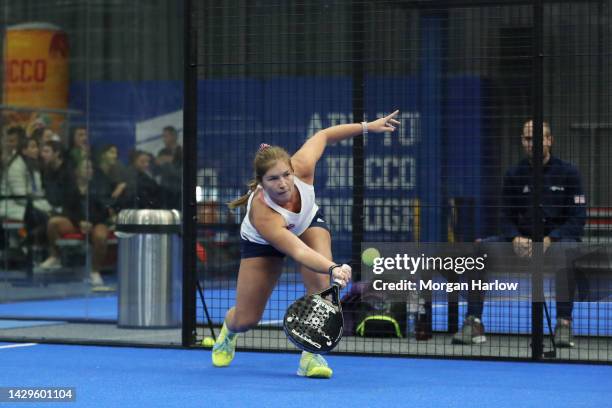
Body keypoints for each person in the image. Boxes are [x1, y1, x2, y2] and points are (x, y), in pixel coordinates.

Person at [211, 110, 400, 378]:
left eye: (285, 175)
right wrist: (334, 267)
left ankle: (311, 357)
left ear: (292, 168)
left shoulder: (302, 166)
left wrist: (368, 126)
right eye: (273, 179)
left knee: (321, 288)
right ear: (261, 184)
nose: (283, 183)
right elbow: (298, 251)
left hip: (308, 222)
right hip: (264, 244)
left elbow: (324, 135)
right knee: (246, 319)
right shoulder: (264, 214)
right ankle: (229, 332)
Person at [452, 120, 586, 348]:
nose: (532, 143)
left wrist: (550, 238)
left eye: (537, 138)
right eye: (527, 138)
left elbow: (578, 218)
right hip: (520, 245)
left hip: (554, 244)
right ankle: (473, 322)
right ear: (522, 142)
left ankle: (564, 324)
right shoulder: (514, 175)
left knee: (567, 250)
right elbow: (504, 216)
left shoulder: (569, 173)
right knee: (480, 249)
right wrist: (515, 237)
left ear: (549, 140)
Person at [154, 126, 182, 209]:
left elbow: (181, 172)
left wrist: (168, 161)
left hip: (178, 190)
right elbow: (157, 169)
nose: (164, 139)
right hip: (165, 191)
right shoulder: (162, 152)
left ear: (173, 136)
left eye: (166, 136)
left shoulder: (181, 151)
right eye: (163, 136)